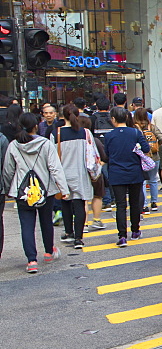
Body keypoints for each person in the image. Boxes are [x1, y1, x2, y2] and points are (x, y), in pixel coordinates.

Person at [2, 112, 69, 272]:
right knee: (46, 222)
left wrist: (7, 189)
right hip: (46, 189)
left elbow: (8, 170)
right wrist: (63, 189)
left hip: (22, 191)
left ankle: (31, 261)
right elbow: (55, 168)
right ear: (36, 126)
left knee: (26, 225)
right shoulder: (45, 144)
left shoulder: (13, 145)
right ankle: (48, 251)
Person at [103, 106, 149, 248]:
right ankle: (135, 231)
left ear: (113, 119)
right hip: (135, 172)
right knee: (135, 203)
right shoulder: (135, 132)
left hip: (117, 173)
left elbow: (106, 155)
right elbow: (146, 149)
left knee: (121, 205)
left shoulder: (109, 136)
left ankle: (122, 236)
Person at [54, 105, 95, 249]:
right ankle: (79, 238)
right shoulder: (85, 133)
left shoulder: (56, 134)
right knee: (79, 204)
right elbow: (92, 155)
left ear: (62, 116)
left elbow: (51, 157)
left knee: (65, 203)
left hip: (63, 174)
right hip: (81, 173)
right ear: (78, 116)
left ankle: (68, 232)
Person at [133, 108, 162, 213]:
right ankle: (154, 203)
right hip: (154, 156)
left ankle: (144, 205)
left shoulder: (135, 128)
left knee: (142, 182)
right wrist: (156, 146)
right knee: (153, 180)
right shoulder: (152, 127)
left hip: (141, 158)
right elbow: (161, 137)